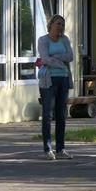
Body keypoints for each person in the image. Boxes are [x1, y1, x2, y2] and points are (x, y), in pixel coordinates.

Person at [36, 14, 74, 161]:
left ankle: (60, 149)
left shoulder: (65, 39)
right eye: (58, 24)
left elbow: (70, 56)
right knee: (47, 115)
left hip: (63, 79)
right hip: (48, 81)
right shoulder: (43, 40)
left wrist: (55, 58)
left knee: (61, 115)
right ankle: (47, 149)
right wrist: (59, 60)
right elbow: (44, 58)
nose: (60, 27)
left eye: (62, 24)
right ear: (51, 24)